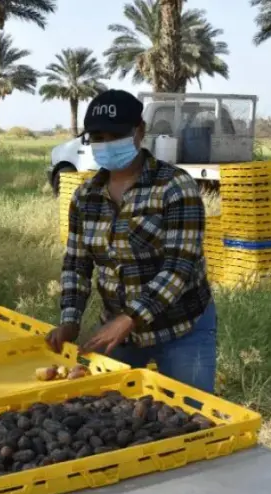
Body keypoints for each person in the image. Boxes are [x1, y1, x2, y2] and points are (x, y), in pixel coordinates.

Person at [47, 89, 217, 393]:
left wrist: (129, 318)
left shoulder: (175, 187)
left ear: (140, 131)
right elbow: (76, 264)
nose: (106, 143)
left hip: (180, 328)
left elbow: (179, 267)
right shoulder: (85, 197)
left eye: (116, 134)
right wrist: (70, 319)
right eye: (97, 136)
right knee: (111, 405)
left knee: (190, 412)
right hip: (120, 331)